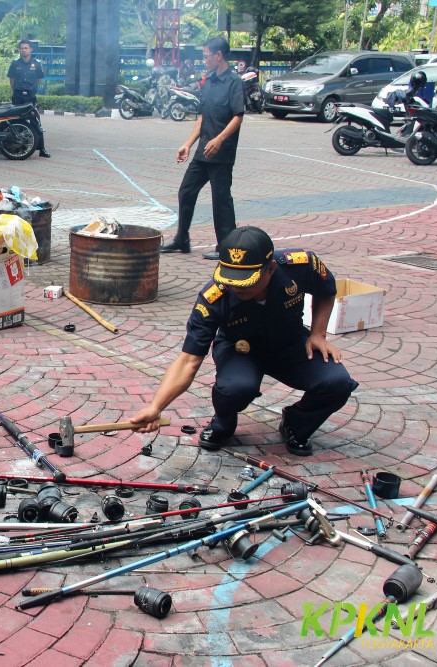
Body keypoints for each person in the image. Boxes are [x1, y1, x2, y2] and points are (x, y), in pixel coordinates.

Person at [131, 227, 359, 457]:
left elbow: (326, 290)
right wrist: (156, 407)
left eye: (246, 282)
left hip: (289, 342)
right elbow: (188, 360)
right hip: (240, 349)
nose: (236, 288)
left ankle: (296, 424)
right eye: (230, 280)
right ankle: (223, 425)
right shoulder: (213, 298)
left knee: (337, 382)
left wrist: (318, 333)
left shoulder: (300, 265)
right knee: (234, 389)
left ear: (270, 268)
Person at [161, 36, 244, 261]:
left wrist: (219, 140)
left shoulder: (234, 82)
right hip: (202, 152)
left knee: (221, 199)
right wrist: (187, 144)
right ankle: (182, 239)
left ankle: (225, 247)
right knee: (186, 191)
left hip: (222, 153)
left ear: (219, 55)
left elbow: (238, 116)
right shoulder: (208, 82)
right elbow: (203, 117)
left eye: (206, 56)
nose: (203, 60)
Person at [7, 39, 50, 158]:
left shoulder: (36, 64)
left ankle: (42, 149)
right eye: (22, 48)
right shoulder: (15, 64)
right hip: (18, 97)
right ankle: (18, 147)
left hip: (30, 97)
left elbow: (38, 79)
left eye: (26, 48)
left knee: (35, 122)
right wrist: (15, 90)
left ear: (31, 49)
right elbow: (12, 80)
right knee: (15, 121)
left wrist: (32, 90)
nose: (23, 50)